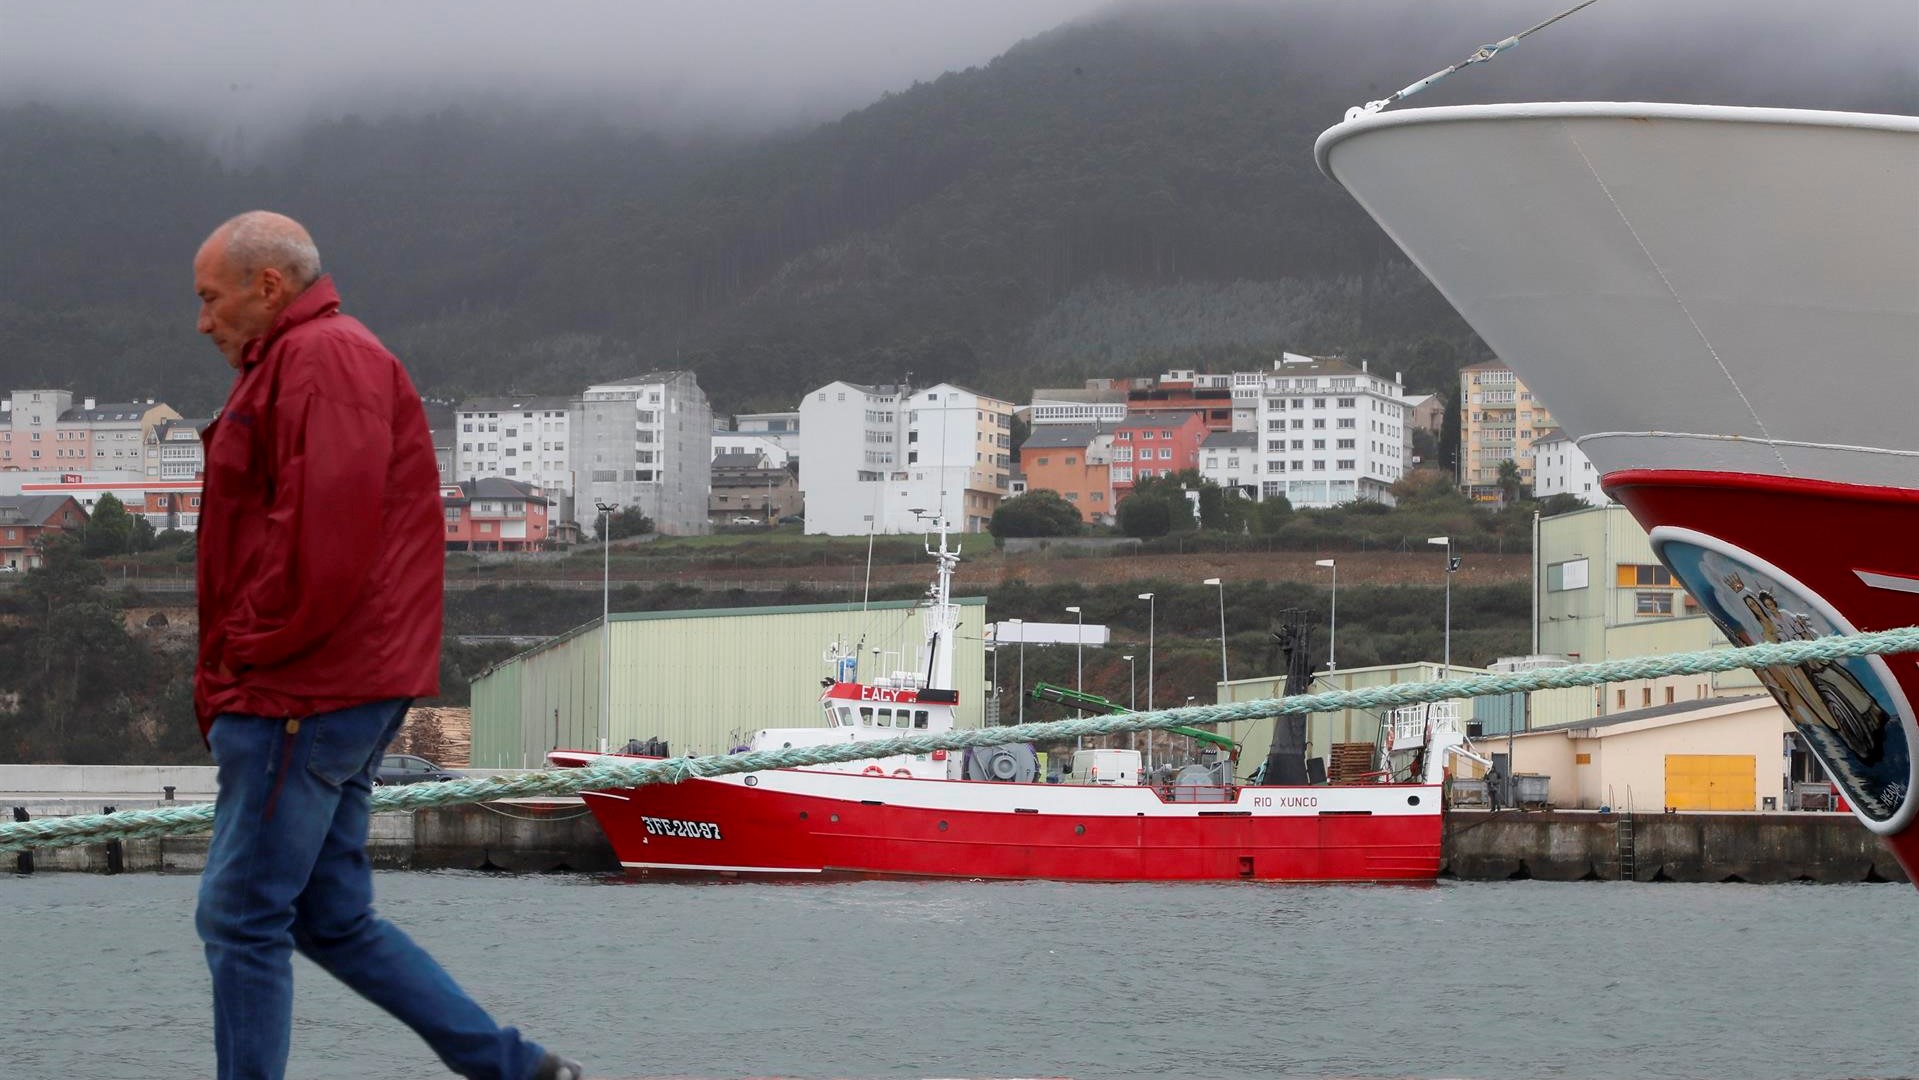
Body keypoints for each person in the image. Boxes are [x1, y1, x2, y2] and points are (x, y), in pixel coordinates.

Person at [190, 211, 584, 1080]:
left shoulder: (321, 362)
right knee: (330, 918)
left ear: (267, 287)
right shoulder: (316, 360)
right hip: (339, 684)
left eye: (211, 299)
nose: (202, 321)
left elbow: (318, 545)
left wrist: (240, 659)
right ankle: (518, 1071)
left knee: (241, 918)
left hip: (303, 689)